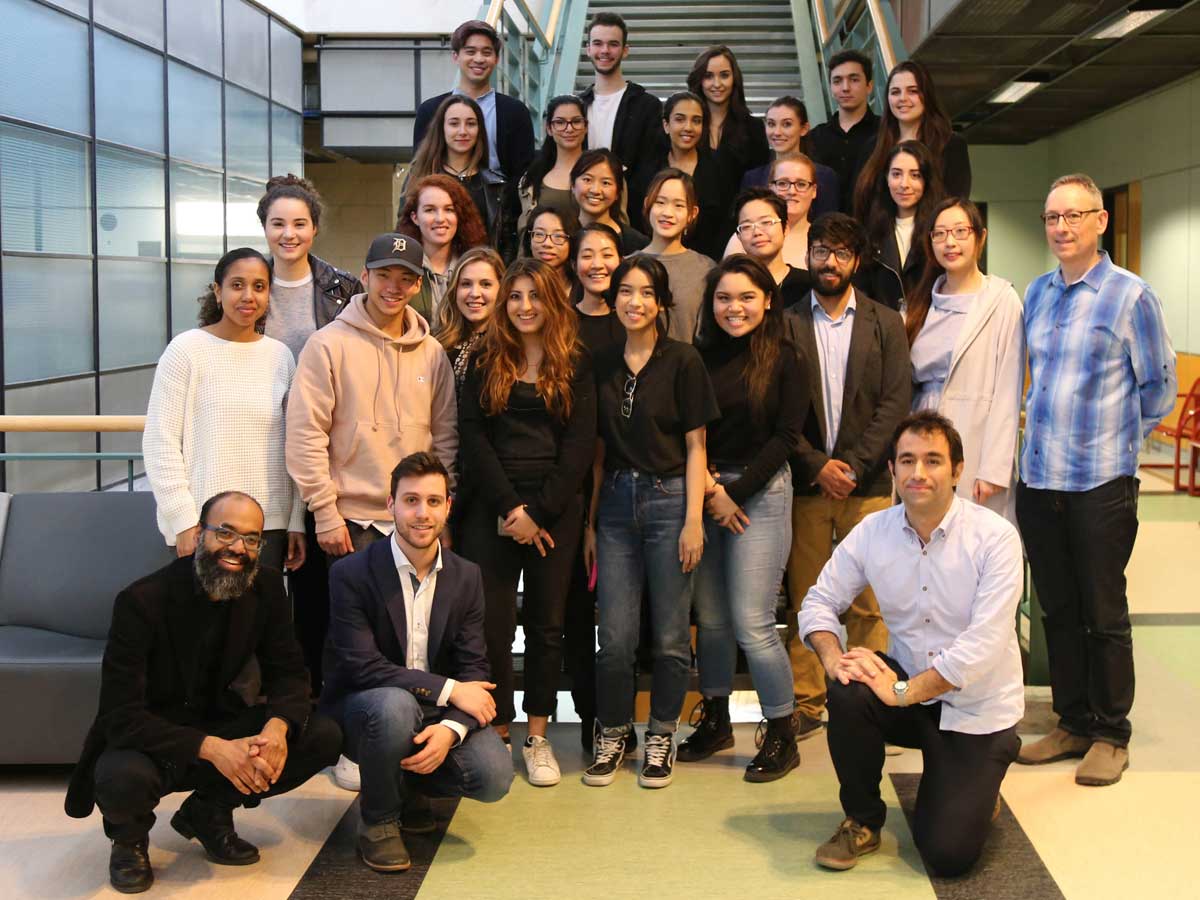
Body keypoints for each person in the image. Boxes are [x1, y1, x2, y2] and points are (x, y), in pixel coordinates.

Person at [65, 491, 342, 894]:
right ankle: (128, 841)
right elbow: (119, 715)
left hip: (217, 718)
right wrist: (211, 748)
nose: (238, 548)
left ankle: (208, 812)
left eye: (251, 538)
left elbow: (290, 674)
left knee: (321, 734)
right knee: (121, 776)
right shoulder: (141, 601)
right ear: (198, 534)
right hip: (150, 737)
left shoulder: (265, 589)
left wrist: (278, 727)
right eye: (225, 533)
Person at [799, 412, 1024, 876]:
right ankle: (861, 820)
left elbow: (981, 648)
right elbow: (818, 602)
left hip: (975, 710)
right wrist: (834, 657)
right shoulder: (873, 532)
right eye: (907, 461)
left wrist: (902, 691)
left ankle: (978, 784)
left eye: (933, 461)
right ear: (893, 471)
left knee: (945, 855)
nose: (918, 473)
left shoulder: (995, 539)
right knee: (848, 685)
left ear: (957, 470)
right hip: (909, 696)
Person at [1015, 173, 1177, 787]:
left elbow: (1158, 388)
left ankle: (1112, 732)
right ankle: (1072, 720)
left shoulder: (1131, 296)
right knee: (1057, 608)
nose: (1061, 227)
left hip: (1102, 482)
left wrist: (1115, 442)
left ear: (1100, 221)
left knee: (1103, 610)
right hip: (1040, 477)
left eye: (1074, 216)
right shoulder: (1037, 292)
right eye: (1052, 217)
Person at [287, 233, 458, 791]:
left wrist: (438, 510)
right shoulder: (327, 345)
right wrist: (325, 511)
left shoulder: (431, 352)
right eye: (385, 274)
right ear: (364, 275)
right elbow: (306, 432)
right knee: (349, 646)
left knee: (408, 638)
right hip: (351, 521)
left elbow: (445, 437)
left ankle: (401, 738)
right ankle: (352, 746)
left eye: (406, 278)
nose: (395, 286)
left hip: (411, 522)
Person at [319, 453, 513, 872]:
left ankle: (406, 789)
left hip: (432, 712)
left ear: (448, 507)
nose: (422, 513)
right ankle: (379, 822)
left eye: (432, 501)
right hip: (363, 709)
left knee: (494, 776)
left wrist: (451, 728)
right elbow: (363, 667)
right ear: (390, 505)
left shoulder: (466, 576)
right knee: (394, 705)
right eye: (410, 501)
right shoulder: (351, 573)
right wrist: (450, 690)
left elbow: (474, 666)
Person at [583, 256, 720, 789]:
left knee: (667, 637)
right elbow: (595, 451)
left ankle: (661, 731)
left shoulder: (684, 361)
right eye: (625, 291)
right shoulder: (600, 361)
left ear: (662, 302)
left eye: (646, 292)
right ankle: (614, 732)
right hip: (615, 502)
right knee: (615, 638)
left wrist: (693, 520)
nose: (634, 301)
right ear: (612, 299)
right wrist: (592, 523)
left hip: (669, 504)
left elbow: (696, 446)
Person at [458, 258, 597, 783]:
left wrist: (538, 513)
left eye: (533, 296)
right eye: (514, 296)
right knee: (491, 627)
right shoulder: (483, 358)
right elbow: (473, 438)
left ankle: (537, 736)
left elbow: (580, 446)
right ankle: (496, 730)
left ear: (553, 301)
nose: (523, 306)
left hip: (554, 511)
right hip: (491, 507)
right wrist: (509, 510)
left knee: (546, 625)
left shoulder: (576, 361)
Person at [782, 212, 910, 742]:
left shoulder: (885, 322)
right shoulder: (784, 321)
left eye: (839, 253)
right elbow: (777, 410)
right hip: (808, 486)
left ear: (855, 261)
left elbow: (896, 401)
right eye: (820, 251)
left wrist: (855, 466)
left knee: (868, 603)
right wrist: (817, 464)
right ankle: (808, 703)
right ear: (807, 255)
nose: (828, 262)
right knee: (807, 598)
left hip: (869, 489)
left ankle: (873, 697)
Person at [680, 256, 806, 780]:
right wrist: (712, 490)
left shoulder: (786, 357)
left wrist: (736, 494)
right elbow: (687, 433)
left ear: (768, 300)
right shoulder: (697, 358)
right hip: (707, 490)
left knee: (754, 623)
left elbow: (787, 438)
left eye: (747, 297)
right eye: (724, 298)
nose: (735, 308)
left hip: (762, 493)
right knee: (710, 620)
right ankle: (715, 718)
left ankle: (781, 731)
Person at [257, 175, 362, 691]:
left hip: (326, 448)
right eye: (278, 223)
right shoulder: (247, 283)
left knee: (320, 590)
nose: (289, 233)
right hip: (262, 450)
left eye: (299, 223)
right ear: (264, 228)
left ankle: (320, 697)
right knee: (261, 590)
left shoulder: (342, 289)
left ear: (315, 229)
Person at [143, 248, 304, 575]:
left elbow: (296, 444)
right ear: (218, 291)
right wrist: (183, 519)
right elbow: (160, 442)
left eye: (259, 286)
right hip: (204, 525)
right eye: (237, 285)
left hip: (266, 526)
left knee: (259, 624)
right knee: (199, 624)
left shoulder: (281, 357)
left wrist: (296, 520)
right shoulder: (186, 351)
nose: (248, 296)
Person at [905, 198, 1024, 521]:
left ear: (980, 238)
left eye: (960, 231)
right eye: (940, 234)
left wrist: (994, 469)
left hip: (975, 439)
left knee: (971, 547)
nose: (950, 242)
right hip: (923, 436)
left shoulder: (1001, 300)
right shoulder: (920, 302)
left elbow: (1008, 390)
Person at [412, 19, 535, 182]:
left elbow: (522, 174)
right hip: (445, 199)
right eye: (470, 52)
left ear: (496, 59)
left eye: (486, 52)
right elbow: (421, 169)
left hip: (498, 203)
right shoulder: (430, 110)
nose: (479, 59)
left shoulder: (515, 112)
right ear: (455, 56)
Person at [405, 95, 517, 262]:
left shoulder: (496, 184)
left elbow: (507, 243)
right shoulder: (419, 179)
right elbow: (404, 231)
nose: (463, 131)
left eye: (471, 123)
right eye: (454, 123)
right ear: (442, 128)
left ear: (479, 129)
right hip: (430, 277)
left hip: (481, 280)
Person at [853, 60, 970, 219]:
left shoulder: (951, 145)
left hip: (930, 239)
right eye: (895, 92)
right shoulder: (872, 147)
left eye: (912, 91)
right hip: (878, 240)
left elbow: (956, 206)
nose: (902, 98)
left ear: (926, 95)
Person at [577, 12, 663, 205]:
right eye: (598, 43)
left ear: (625, 50)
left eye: (613, 44)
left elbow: (650, 168)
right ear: (588, 49)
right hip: (581, 214)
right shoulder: (577, 107)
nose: (605, 50)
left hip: (628, 215)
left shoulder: (647, 106)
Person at [631, 92, 728, 259]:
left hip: (707, 263)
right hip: (652, 261)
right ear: (666, 125)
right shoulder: (646, 170)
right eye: (680, 119)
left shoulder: (720, 169)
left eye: (696, 121)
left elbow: (725, 225)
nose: (688, 127)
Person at [855, 140, 944, 312]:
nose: (904, 184)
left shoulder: (941, 230)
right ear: (886, 178)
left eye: (915, 175)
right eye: (896, 174)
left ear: (927, 180)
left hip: (931, 328)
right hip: (882, 332)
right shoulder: (869, 231)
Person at [395, 174, 488, 321]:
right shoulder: (401, 268)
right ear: (415, 217)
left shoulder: (477, 267)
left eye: (449, 210)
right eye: (430, 210)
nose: (440, 218)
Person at [638, 167, 715, 343]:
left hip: (687, 367)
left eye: (679, 205)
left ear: (692, 214)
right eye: (660, 202)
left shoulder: (706, 268)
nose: (667, 213)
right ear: (647, 204)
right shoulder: (628, 264)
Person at [741, 97, 839, 221]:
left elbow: (828, 227)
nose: (776, 132)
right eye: (771, 124)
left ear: (804, 129)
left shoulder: (824, 176)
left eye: (786, 124)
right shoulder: (752, 178)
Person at [686, 45, 769, 187]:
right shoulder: (687, 126)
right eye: (708, 76)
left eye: (724, 75)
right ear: (699, 80)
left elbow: (759, 183)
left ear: (734, 78)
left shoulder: (754, 127)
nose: (717, 84)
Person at [807, 49, 879, 213]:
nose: (845, 88)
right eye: (837, 81)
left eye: (854, 80)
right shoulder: (816, 137)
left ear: (869, 86)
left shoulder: (885, 132)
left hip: (874, 229)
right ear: (831, 87)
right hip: (826, 228)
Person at [724, 156, 818, 270]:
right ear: (770, 188)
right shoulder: (745, 235)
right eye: (782, 183)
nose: (792, 191)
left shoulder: (820, 239)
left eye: (801, 184)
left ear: (813, 191)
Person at [434, 246, 504, 398]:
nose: (475, 294)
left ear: (502, 288)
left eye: (485, 284)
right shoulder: (437, 343)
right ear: (455, 289)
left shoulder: (512, 344)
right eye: (466, 284)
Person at [729, 188, 811, 308]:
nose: (757, 232)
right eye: (747, 226)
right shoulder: (730, 285)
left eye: (766, 222)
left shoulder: (807, 285)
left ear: (786, 228)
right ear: (739, 236)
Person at [517, 95, 586, 230]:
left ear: (586, 126)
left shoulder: (602, 171)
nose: (569, 129)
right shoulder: (532, 177)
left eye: (576, 121)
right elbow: (525, 230)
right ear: (549, 128)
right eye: (560, 122)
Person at [571, 148, 649, 255]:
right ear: (573, 185)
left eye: (605, 183)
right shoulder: (561, 236)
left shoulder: (637, 244)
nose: (595, 190)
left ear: (618, 192)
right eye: (587, 180)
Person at [572, 222, 626, 361]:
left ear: (621, 261)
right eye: (587, 256)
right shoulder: (562, 322)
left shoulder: (634, 318)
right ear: (574, 265)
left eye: (607, 255)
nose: (597, 265)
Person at [520, 204, 578, 290]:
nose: (547, 243)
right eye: (539, 234)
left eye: (558, 236)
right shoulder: (517, 284)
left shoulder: (583, 289)